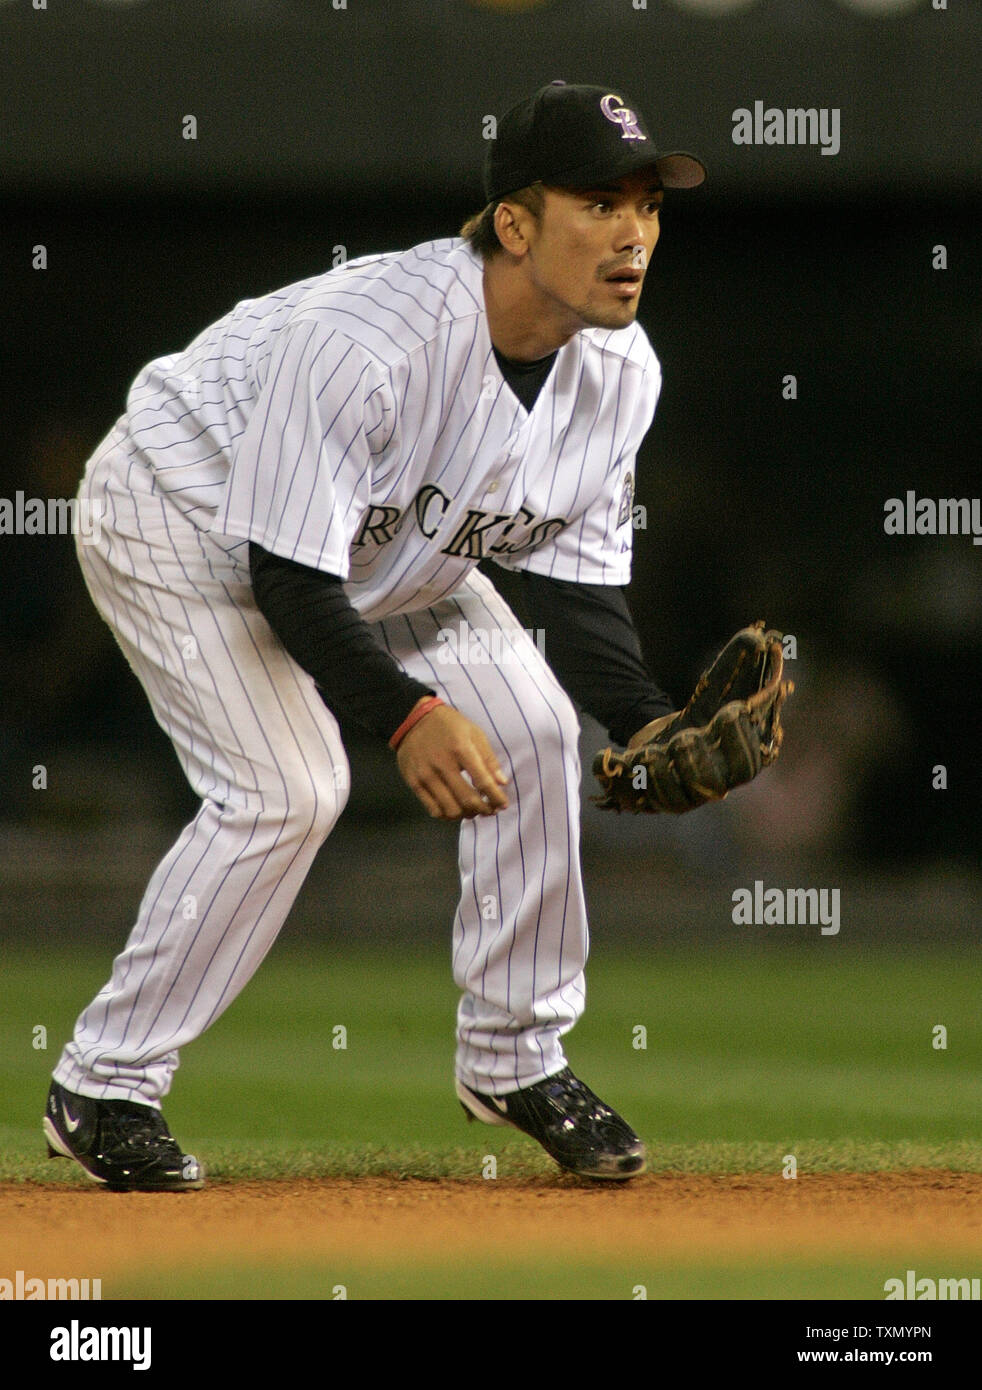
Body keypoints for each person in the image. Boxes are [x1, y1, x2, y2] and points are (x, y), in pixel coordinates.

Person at [43, 80, 706, 1189]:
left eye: (646, 203)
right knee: (289, 787)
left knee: (539, 730)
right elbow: (289, 579)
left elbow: (577, 588)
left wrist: (649, 724)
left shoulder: (617, 373)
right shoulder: (373, 341)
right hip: (181, 513)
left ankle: (516, 1057)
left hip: (374, 551)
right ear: (514, 223)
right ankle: (105, 1083)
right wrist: (407, 715)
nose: (633, 230)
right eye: (599, 202)